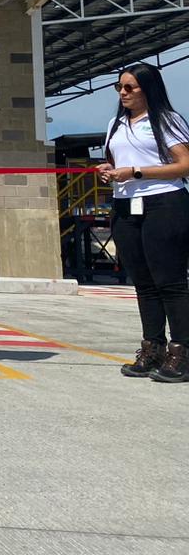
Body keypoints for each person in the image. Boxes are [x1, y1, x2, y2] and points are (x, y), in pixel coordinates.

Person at [98, 63, 189, 383]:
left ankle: (182, 350)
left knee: (170, 280)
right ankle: (153, 346)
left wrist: (137, 172)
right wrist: (110, 168)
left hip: (163, 203)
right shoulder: (115, 124)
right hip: (125, 206)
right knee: (144, 282)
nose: (123, 93)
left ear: (147, 89)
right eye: (119, 87)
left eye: (130, 88)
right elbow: (120, 160)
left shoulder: (166, 120)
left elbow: (184, 165)